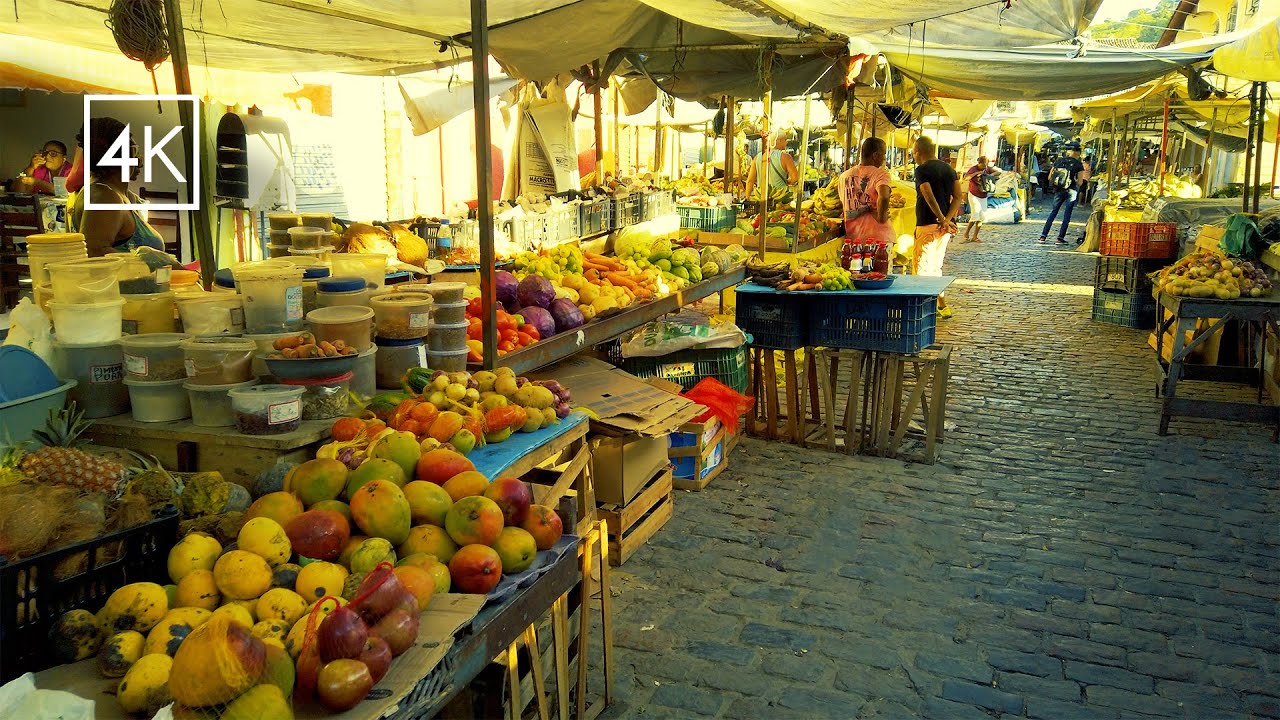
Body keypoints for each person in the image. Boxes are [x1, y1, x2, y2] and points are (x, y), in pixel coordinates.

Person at [74, 117, 166, 257]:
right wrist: (146, 262)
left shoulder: (118, 194)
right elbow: (94, 252)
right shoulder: (103, 197)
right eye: (135, 151)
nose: (140, 160)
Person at [912, 136, 963, 318]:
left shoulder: (922, 170)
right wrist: (947, 219)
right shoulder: (949, 169)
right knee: (935, 267)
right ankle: (942, 305)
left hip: (927, 224)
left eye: (913, 151)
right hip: (944, 228)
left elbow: (927, 193)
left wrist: (941, 218)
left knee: (922, 268)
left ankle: (923, 310)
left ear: (918, 151)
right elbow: (958, 196)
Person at [836, 137, 896, 244]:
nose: (884, 159)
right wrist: (882, 217)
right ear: (875, 156)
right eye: (883, 154)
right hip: (879, 238)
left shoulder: (843, 177)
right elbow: (885, 196)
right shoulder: (880, 174)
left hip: (854, 239)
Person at [1039, 142, 1086, 245]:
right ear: (1078, 152)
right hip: (1071, 191)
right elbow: (1080, 182)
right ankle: (1060, 238)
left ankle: (1043, 236)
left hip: (1059, 190)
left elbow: (1049, 177)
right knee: (1067, 215)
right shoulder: (1078, 164)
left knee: (1053, 212)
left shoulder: (1059, 161)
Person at [744, 131, 799, 201]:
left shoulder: (757, 157)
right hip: (780, 198)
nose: (786, 143)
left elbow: (750, 181)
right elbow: (795, 178)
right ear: (779, 140)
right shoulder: (786, 157)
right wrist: (787, 182)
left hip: (761, 198)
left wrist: (747, 197)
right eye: (785, 140)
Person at [962, 155, 1000, 243]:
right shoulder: (973, 169)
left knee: (982, 216)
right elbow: (966, 178)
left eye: (986, 165)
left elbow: (998, 172)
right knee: (975, 214)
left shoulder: (987, 169)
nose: (984, 167)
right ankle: (966, 233)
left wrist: (990, 175)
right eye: (983, 165)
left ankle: (975, 236)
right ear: (979, 163)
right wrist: (976, 173)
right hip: (974, 194)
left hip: (983, 194)